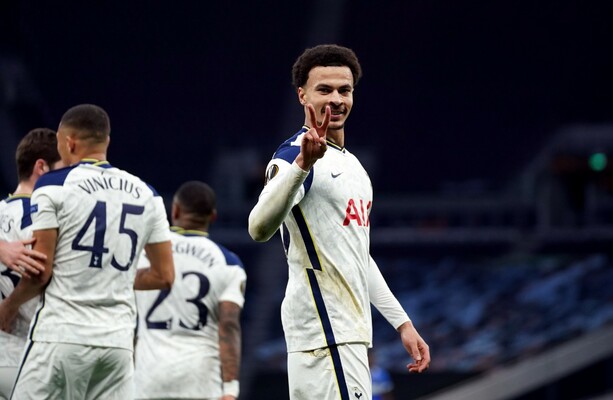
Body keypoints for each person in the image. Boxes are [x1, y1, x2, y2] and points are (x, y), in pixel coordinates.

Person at [248, 44, 430, 400]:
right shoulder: (293, 155)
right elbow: (258, 228)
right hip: (326, 334)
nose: (335, 99)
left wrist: (402, 323)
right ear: (302, 95)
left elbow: (358, 256)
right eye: (324, 89)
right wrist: (303, 166)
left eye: (344, 90)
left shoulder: (354, 167)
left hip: (343, 335)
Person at [0, 104, 175, 399]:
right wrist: (106, 274)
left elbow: (41, 272)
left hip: (61, 336)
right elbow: (165, 275)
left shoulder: (54, 184)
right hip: (117, 344)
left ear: (69, 143)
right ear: (106, 141)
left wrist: (8, 307)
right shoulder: (148, 194)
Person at [134, 181, 247, 400]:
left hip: (148, 377)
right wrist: (230, 389)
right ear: (212, 216)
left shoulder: (144, 255)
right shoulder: (229, 263)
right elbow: (229, 325)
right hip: (200, 381)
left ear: (175, 210)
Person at [0, 128, 62, 400]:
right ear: (41, 167)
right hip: (28, 356)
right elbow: (41, 275)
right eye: (63, 169)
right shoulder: (44, 219)